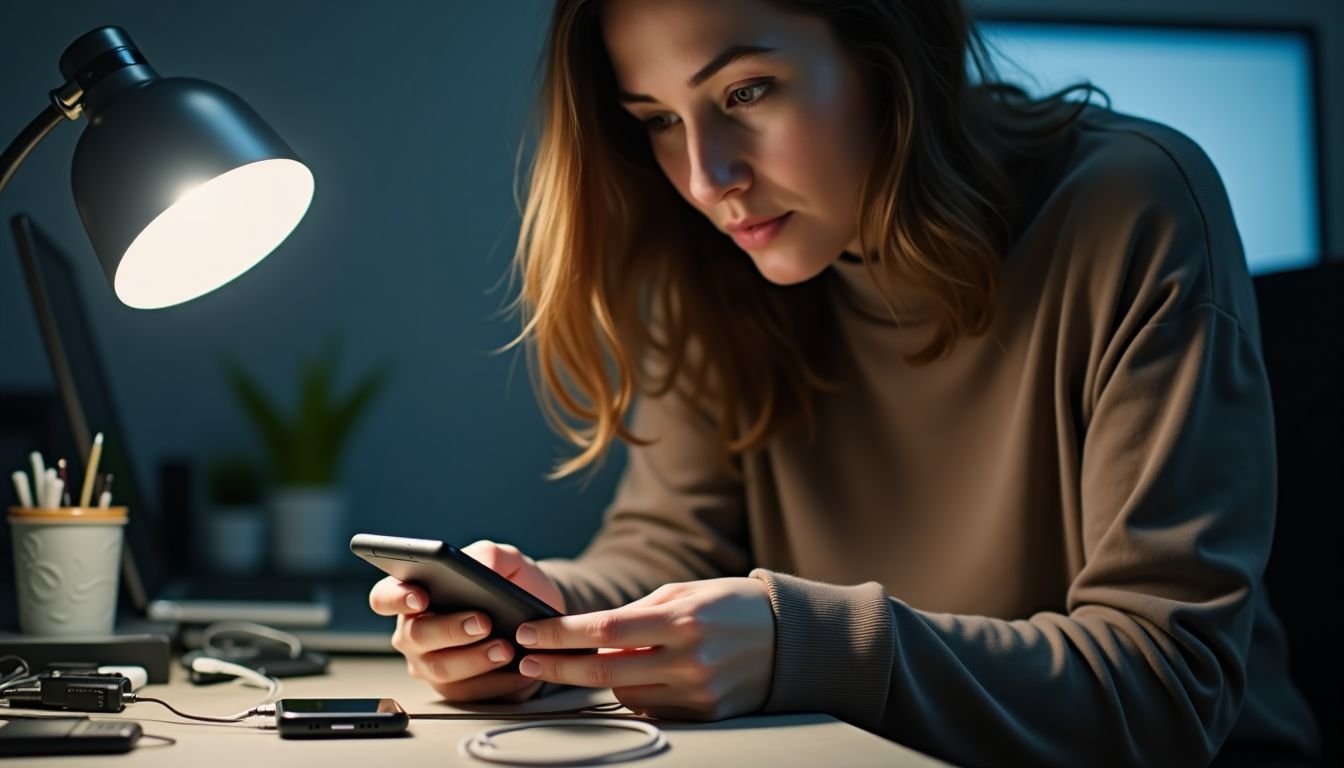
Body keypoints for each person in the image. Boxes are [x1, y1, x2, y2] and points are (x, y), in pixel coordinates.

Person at [369, 0, 1321, 764]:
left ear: (886, 52)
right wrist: (534, 622)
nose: (707, 178)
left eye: (746, 92)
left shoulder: (1130, 205)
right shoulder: (721, 267)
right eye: (658, 120)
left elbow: (1166, 689)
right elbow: (670, 547)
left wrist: (807, 644)